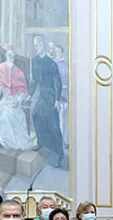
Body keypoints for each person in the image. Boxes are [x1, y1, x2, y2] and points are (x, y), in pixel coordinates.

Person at [29, 36, 64, 166]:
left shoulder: (51, 63)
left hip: (51, 95)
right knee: (36, 115)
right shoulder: (34, 61)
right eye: (34, 45)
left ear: (42, 44)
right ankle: (40, 142)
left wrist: (57, 99)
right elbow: (34, 81)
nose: (35, 47)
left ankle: (59, 154)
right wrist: (29, 94)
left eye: (37, 45)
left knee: (53, 124)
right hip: (42, 95)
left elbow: (57, 82)